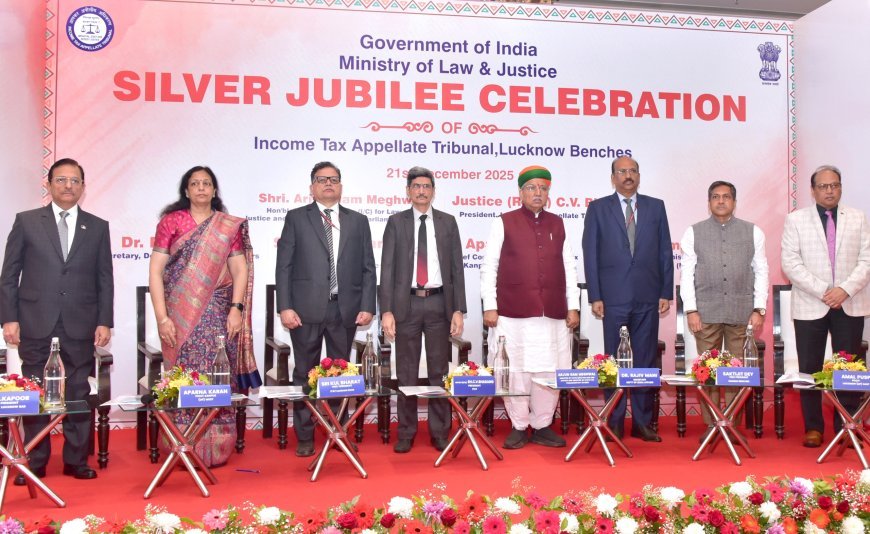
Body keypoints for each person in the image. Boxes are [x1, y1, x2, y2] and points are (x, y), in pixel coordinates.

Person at [0, 158, 113, 484]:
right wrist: (9, 318)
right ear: (48, 184)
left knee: (77, 390)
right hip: (35, 319)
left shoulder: (97, 226)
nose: (68, 186)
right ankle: (35, 460)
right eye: (61, 180)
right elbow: (9, 274)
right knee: (35, 390)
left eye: (74, 180)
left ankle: (76, 461)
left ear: (83, 187)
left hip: (80, 321)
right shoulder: (27, 221)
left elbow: (104, 277)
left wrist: (104, 320)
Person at [148, 165, 261, 467]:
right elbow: (156, 272)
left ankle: (215, 448)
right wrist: (162, 318)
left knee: (216, 373)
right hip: (179, 316)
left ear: (214, 190)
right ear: (186, 191)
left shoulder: (226, 226)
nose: (201, 188)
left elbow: (239, 270)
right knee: (182, 376)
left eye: (206, 183)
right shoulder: (172, 222)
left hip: (218, 313)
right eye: (195, 183)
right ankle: (180, 442)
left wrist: (236, 309)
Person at [276, 161, 377, 457]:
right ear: (312, 187)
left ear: (341, 186)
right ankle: (305, 436)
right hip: (304, 311)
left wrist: (367, 305)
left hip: (344, 311)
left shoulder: (358, 221)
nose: (328, 184)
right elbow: (284, 266)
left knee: (340, 376)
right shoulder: (297, 218)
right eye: (322, 180)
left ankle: (337, 431)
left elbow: (368, 268)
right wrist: (285, 306)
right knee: (305, 373)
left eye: (333, 179)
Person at [481, 165, 580, 449]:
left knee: (549, 370)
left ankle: (542, 425)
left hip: (551, 312)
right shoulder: (503, 222)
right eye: (532, 188)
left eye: (543, 188)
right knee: (516, 371)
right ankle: (518, 425)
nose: (538, 193)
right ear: (520, 192)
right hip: (512, 312)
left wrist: (573, 305)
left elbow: (569, 267)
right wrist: (490, 305)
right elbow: (490, 266)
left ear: (549, 192)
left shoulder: (557, 224)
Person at [582, 156, 673, 442]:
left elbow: (665, 252)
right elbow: (590, 254)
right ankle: (615, 420)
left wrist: (666, 292)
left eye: (633, 170)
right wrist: (596, 295)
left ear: (639, 176)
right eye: (622, 171)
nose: (628, 175)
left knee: (644, 359)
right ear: (613, 178)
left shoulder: (656, 207)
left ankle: (643, 423)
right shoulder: (598, 208)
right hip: (613, 297)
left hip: (648, 294)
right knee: (614, 360)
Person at [781, 165, 870, 448]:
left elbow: (866, 260)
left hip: (849, 302)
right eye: (823, 186)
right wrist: (824, 291)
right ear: (813, 190)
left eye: (835, 185)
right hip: (811, 302)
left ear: (840, 187)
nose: (830, 191)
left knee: (847, 366)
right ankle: (813, 427)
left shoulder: (858, 218)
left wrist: (844, 289)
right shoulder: (796, 220)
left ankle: (846, 424)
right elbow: (790, 263)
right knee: (810, 367)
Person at [380, 166, 467, 454]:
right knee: (406, 371)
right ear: (408, 191)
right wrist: (387, 310)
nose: (421, 191)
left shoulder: (447, 222)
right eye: (416, 186)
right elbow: (387, 269)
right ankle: (406, 432)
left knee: (438, 372)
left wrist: (458, 309)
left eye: (426, 186)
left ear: (433, 191)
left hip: (439, 303)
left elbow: (457, 269)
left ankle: (439, 432)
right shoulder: (396, 222)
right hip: (406, 304)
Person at [679, 181, 769, 440]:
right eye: (716, 197)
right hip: (705, 313)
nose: (721, 201)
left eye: (726, 196)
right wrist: (691, 310)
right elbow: (687, 274)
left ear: (734, 202)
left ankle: (730, 424)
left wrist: (759, 309)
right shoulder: (693, 232)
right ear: (709, 202)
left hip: (742, 313)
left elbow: (761, 271)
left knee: (736, 371)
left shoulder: (753, 232)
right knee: (706, 370)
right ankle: (712, 426)